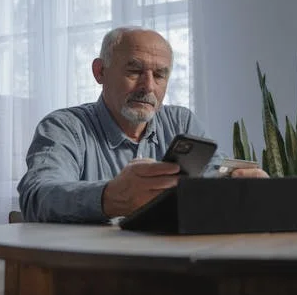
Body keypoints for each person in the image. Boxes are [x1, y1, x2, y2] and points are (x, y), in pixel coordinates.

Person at [17, 26, 268, 223]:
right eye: (134, 71)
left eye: (159, 75)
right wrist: (110, 197)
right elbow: (38, 196)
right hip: (90, 272)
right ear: (100, 72)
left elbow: (215, 172)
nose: (148, 87)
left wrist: (238, 184)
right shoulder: (64, 127)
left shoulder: (181, 121)